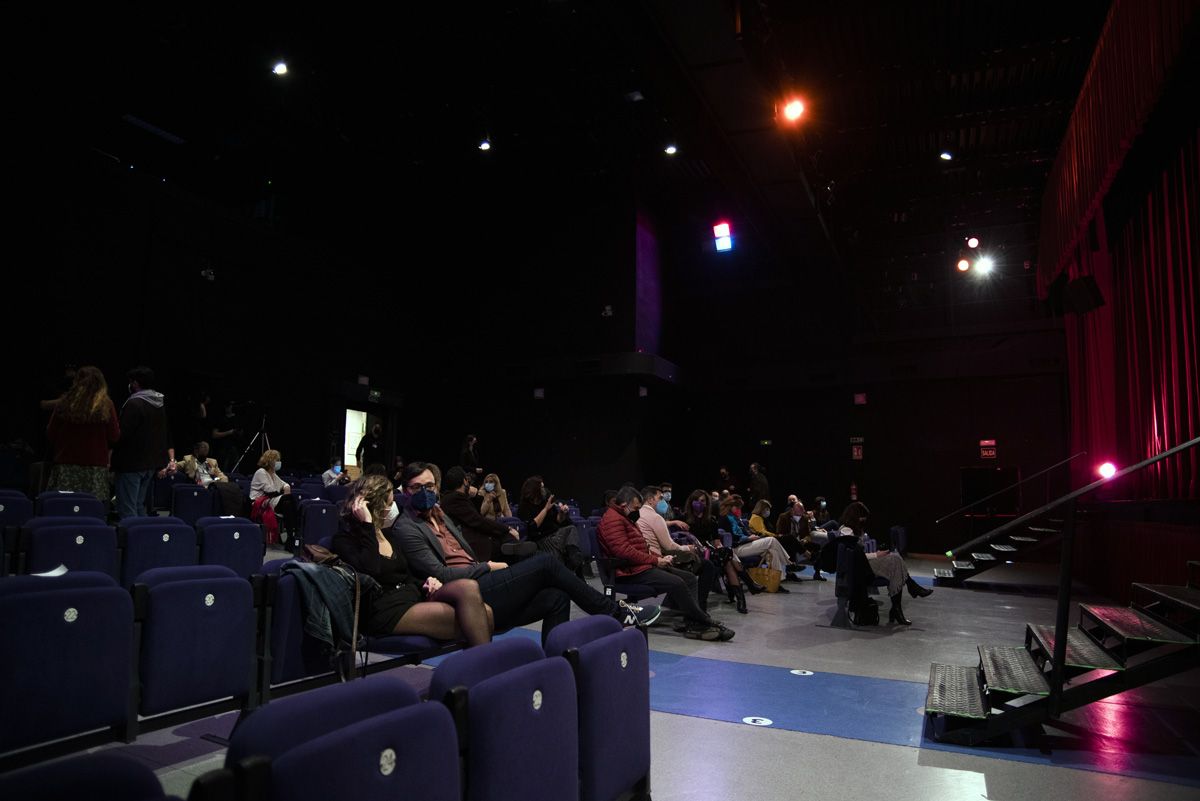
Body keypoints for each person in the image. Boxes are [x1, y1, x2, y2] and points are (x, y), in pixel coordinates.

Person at [394, 462, 660, 645]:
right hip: (464, 592)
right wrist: (488, 566)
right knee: (544, 563)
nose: (426, 493)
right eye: (418, 488)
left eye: (430, 486)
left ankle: (556, 663)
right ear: (405, 491)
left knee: (556, 597)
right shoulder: (407, 527)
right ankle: (614, 612)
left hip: (481, 583)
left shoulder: (440, 516)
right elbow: (441, 574)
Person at [332, 475, 493, 645]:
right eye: (389, 504)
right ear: (375, 507)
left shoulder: (389, 534)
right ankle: (483, 667)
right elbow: (371, 569)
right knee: (478, 619)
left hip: (412, 596)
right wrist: (367, 526)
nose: (393, 508)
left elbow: (404, 574)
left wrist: (426, 582)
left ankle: (477, 665)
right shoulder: (344, 540)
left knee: (471, 591)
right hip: (384, 610)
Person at [599, 487, 734, 641]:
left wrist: (658, 558)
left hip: (639, 567)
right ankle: (703, 621)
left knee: (689, 578)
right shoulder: (612, 520)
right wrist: (656, 560)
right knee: (678, 583)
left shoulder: (624, 517)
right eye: (636, 508)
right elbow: (624, 552)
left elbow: (640, 548)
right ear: (624, 505)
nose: (638, 511)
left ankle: (693, 622)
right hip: (628, 572)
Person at [823, 502, 931, 625]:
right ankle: (904, 598)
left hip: (866, 563)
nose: (864, 520)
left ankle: (901, 603)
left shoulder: (857, 529)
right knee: (895, 561)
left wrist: (876, 553)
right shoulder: (846, 530)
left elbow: (861, 552)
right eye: (862, 516)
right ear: (855, 516)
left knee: (896, 559)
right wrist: (876, 555)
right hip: (859, 568)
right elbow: (853, 556)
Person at [45, 365, 120, 501]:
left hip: (66, 466)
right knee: (91, 508)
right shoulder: (106, 405)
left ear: (76, 382)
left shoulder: (64, 403)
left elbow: (50, 433)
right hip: (95, 468)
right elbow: (114, 435)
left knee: (64, 506)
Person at [111, 366, 175, 519]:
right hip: (150, 464)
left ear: (135, 383)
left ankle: (132, 539)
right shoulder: (159, 403)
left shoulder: (134, 403)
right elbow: (163, 434)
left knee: (127, 507)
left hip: (132, 463)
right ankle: (143, 538)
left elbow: (122, 434)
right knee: (139, 505)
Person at [440, 466, 531, 563]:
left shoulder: (452, 498)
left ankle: (520, 550)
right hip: (476, 542)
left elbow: (502, 510)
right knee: (507, 533)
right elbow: (479, 518)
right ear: (464, 481)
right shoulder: (456, 499)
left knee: (513, 523)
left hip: (485, 527)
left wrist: (475, 495)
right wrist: (507, 528)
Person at [684, 489, 749, 613]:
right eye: (696, 500)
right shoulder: (684, 518)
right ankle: (745, 592)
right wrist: (673, 521)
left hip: (708, 551)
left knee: (726, 554)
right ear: (691, 502)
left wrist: (720, 548)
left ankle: (743, 596)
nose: (699, 503)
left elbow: (716, 542)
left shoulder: (711, 520)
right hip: (691, 552)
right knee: (727, 559)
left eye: (702, 501)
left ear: (707, 503)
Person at [720, 494, 792, 593]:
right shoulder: (725, 518)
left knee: (772, 551)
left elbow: (746, 532)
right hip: (736, 548)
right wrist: (748, 538)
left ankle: (776, 583)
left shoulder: (737, 518)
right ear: (730, 506)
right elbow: (731, 538)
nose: (739, 510)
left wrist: (752, 537)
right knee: (771, 540)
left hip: (746, 544)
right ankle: (788, 563)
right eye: (737, 507)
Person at [518, 475, 585, 573]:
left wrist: (562, 513)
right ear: (535, 490)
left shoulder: (546, 500)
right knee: (558, 561)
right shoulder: (524, 507)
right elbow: (532, 527)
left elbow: (557, 520)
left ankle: (574, 556)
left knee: (571, 528)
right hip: (541, 540)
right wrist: (545, 509)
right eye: (541, 487)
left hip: (555, 535)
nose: (544, 489)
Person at [250, 449, 299, 546]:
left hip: (271, 499)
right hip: (259, 501)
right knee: (287, 500)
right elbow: (270, 490)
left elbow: (284, 484)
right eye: (277, 460)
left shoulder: (273, 474)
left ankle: (291, 537)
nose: (279, 463)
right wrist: (283, 492)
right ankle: (292, 536)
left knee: (288, 502)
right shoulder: (261, 472)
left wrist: (286, 487)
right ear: (270, 461)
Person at [773, 501, 826, 581]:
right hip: (787, 542)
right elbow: (779, 533)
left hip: (800, 543)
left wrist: (805, 540)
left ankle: (817, 573)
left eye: (802, 512)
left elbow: (808, 535)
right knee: (792, 542)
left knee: (817, 547)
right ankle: (790, 572)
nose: (801, 515)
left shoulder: (804, 518)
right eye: (799, 513)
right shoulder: (783, 517)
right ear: (793, 510)